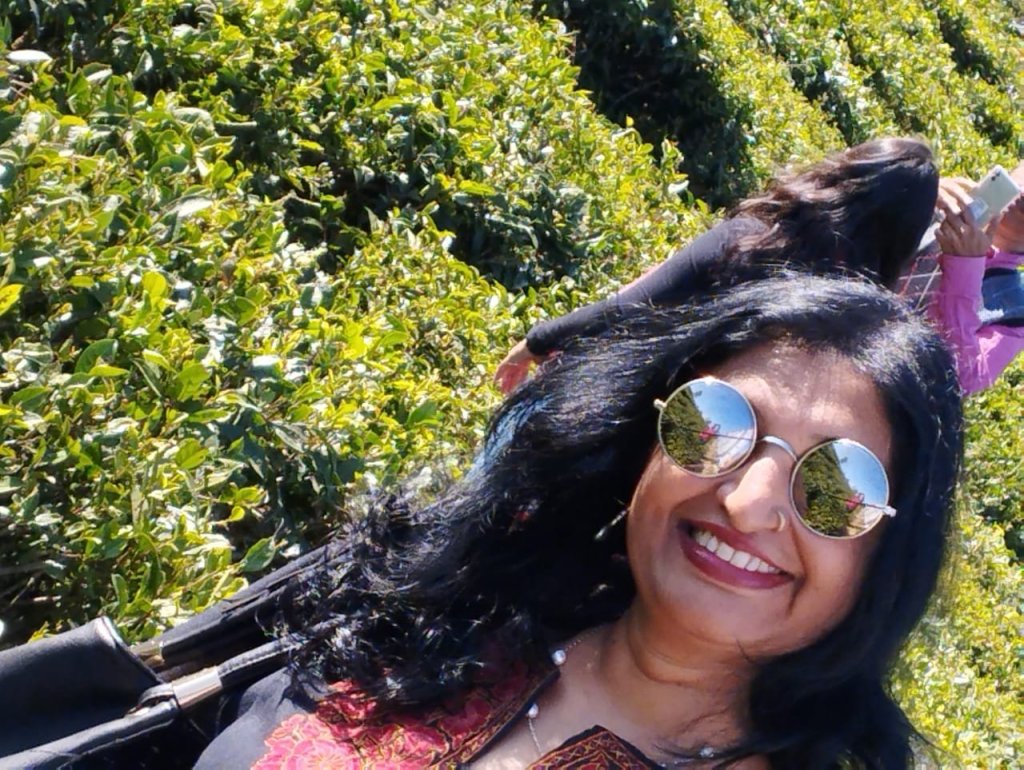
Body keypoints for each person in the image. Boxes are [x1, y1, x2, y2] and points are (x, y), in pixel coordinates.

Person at [195, 275, 963, 768]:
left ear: (889, 557)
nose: (746, 502)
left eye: (836, 484)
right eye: (718, 421)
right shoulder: (455, 597)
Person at [495, 137, 939, 393]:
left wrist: (538, 341)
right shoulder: (852, 318)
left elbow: (633, 306)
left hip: (628, 394)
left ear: (845, 172)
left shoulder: (752, 240)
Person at [929, 161, 1024, 392]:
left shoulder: (1015, 311)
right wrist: (917, 192)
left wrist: (964, 267)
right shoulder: (937, 196)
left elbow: (961, 380)